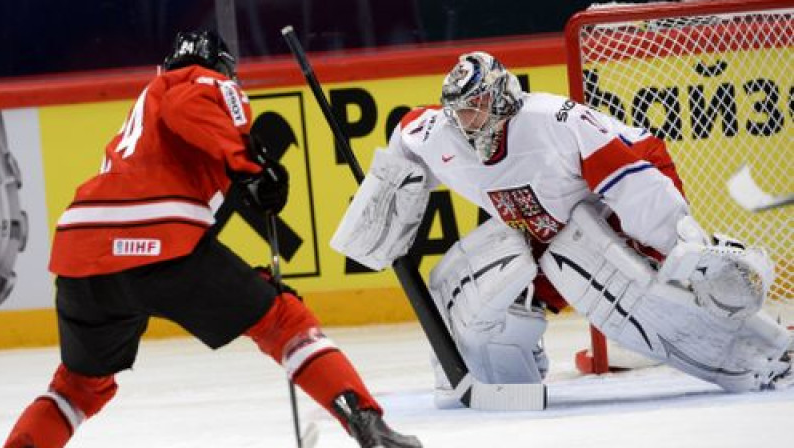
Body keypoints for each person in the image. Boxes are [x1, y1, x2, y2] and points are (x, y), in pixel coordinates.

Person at [3, 31, 422, 448]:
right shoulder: (204, 82)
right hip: (154, 242)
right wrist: (250, 167)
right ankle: (369, 427)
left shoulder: (143, 108)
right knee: (283, 320)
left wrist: (250, 178)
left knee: (78, 388)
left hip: (82, 252)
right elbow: (187, 105)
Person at [330, 51, 793, 406]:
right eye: (459, 113)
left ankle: (764, 354)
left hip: (621, 185)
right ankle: (494, 370)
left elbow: (632, 183)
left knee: (636, 293)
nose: (465, 124)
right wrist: (385, 208)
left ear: (501, 97)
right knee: (495, 283)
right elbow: (407, 139)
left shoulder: (554, 122)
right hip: (549, 223)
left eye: (475, 110)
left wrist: (680, 247)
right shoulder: (438, 133)